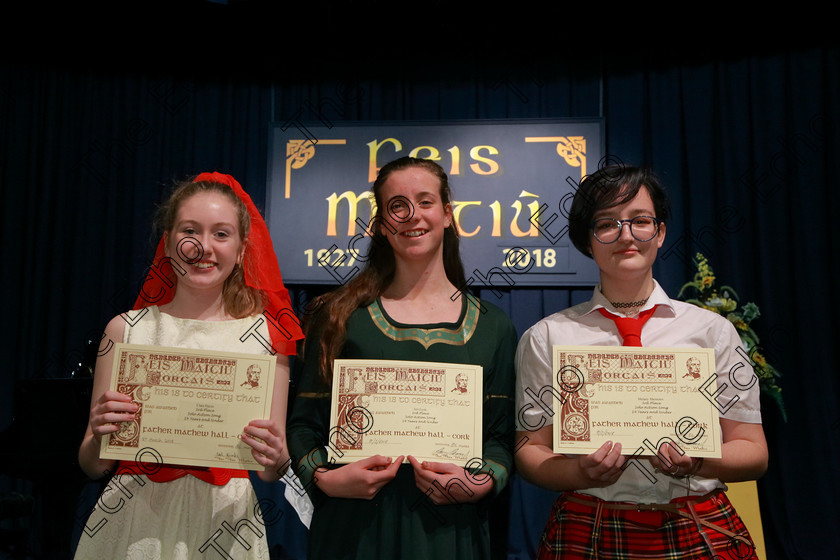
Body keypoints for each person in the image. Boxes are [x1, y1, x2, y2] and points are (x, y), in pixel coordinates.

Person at [514, 164, 768, 559]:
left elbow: (753, 451)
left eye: (641, 221)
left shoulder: (712, 331)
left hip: (697, 525)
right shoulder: (548, 336)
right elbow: (530, 451)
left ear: (660, 233)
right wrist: (578, 472)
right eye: (606, 224)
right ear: (587, 239)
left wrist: (699, 460)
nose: (626, 235)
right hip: (589, 526)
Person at [287, 156, 517, 559]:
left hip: (451, 536)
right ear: (380, 224)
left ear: (447, 214)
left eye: (425, 202)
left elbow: (499, 439)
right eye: (397, 205)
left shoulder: (492, 326)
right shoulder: (338, 316)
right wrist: (324, 477)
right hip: (353, 531)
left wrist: (480, 484)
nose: (412, 216)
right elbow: (304, 425)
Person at [74, 172, 304, 559]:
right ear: (167, 243)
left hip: (224, 521)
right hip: (133, 518)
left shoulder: (266, 338)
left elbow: (269, 470)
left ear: (243, 249)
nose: (203, 247)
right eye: (190, 231)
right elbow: (93, 466)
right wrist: (99, 434)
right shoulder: (124, 330)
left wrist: (278, 456)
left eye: (221, 234)